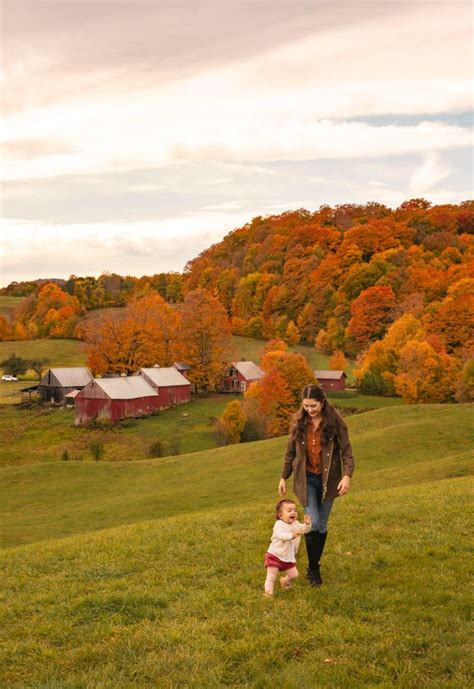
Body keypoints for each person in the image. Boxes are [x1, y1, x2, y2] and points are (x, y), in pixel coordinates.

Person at [278, 383, 355, 587]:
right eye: (306, 406)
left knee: (321, 525)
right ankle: (313, 570)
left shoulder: (335, 422)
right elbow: (290, 452)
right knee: (313, 522)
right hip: (307, 480)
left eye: (313, 405)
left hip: (329, 482)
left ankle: (314, 565)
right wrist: (283, 477)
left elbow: (347, 452)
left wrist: (346, 476)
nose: (309, 410)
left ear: (322, 402)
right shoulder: (299, 423)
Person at [263, 499, 312, 596]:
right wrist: (292, 535)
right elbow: (281, 535)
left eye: (295, 510)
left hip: (288, 557)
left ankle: (285, 581)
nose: (293, 512)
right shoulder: (278, 525)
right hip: (275, 555)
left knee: (294, 575)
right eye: (289, 511)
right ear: (280, 515)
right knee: (271, 576)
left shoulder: (296, 524)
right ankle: (268, 594)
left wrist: (307, 524)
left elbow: (304, 530)